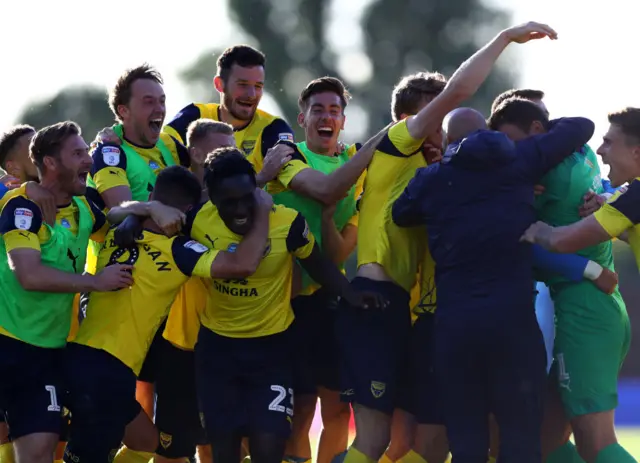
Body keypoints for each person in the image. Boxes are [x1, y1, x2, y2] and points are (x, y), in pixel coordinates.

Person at [334, 21, 557, 463]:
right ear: (411, 120)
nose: (445, 136)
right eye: (435, 121)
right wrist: (505, 39)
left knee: (429, 441)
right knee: (375, 438)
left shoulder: (437, 180)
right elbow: (457, 93)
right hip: (374, 300)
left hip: (415, 313)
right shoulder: (399, 145)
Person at [390, 69, 602, 463]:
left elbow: (402, 214)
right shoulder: (520, 160)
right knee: (520, 435)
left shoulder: (433, 179)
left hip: (456, 328)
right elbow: (581, 126)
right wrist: (526, 135)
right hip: (513, 324)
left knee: (467, 436)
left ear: (451, 141)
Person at [183, 147, 385, 463]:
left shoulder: (288, 223)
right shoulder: (197, 221)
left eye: (245, 198)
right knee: (224, 450)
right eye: (228, 202)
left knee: (270, 445)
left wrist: (350, 295)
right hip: (218, 351)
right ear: (212, 198)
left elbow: (318, 263)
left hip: (271, 350)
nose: (239, 210)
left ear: (257, 191)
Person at [62, 165, 271, 463]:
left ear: (152, 196)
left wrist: (144, 209)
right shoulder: (180, 251)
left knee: (152, 443)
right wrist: (262, 212)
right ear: (187, 211)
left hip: (80, 358)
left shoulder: (114, 232)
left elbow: (110, 214)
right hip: (110, 371)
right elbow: (243, 265)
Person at [0, 121, 132, 463]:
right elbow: (28, 275)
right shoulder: (21, 207)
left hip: (47, 354)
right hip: (8, 343)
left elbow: (113, 222)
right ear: (51, 163)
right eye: (77, 153)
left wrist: (149, 208)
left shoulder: (84, 209)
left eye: (86, 151)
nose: (88, 160)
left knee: (41, 451)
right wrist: (95, 281)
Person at [522, 107, 640, 463]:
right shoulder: (628, 196)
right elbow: (614, 196)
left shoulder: (634, 197)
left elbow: (561, 242)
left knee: (596, 443)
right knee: (547, 440)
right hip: (599, 313)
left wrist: (535, 229)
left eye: (608, 142)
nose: (599, 151)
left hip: (590, 316)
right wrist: (605, 194)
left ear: (636, 152)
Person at [272, 77, 363, 463]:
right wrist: (328, 202)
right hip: (286, 302)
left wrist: (327, 218)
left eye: (334, 110)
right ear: (302, 117)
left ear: (343, 119)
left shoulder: (356, 166)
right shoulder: (287, 158)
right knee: (301, 409)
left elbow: (340, 251)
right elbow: (325, 190)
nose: (327, 117)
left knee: (339, 409)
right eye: (318, 110)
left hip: (331, 296)